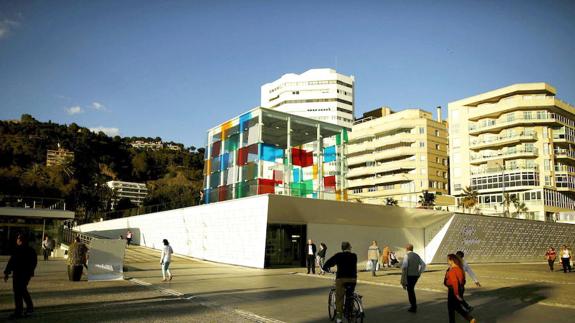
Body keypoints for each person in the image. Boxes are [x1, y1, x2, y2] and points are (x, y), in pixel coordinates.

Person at [3, 234, 38, 319]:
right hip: (26, 275)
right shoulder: (31, 250)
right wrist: (30, 272)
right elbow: (34, 263)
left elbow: (11, 262)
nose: (16, 240)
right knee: (22, 290)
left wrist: (7, 273)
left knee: (18, 292)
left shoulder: (18, 250)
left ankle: (20, 311)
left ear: (20, 240)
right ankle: (28, 308)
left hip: (18, 274)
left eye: (18, 239)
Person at [322, 241, 358, 323]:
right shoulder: (354, 256)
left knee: (339, 298)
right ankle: (349, 312)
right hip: (352, 279)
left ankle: (339, 319)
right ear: (349, 248)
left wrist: (326, 268)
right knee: (350, 295)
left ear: (342, 248)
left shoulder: (338, 255)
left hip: (341, 279)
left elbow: (328, 263)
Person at [444, 254, 476, 323]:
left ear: (452, 260)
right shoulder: (459, 269)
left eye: (448, 260)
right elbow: (463, 281)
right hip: (459, 289)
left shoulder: (452, 270)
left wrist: (456, 294)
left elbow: (455, 282)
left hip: (453, 291)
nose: (447, 261)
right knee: (457, 307)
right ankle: (470, 318)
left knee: (451, 308)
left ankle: (470, 319)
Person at [400, 243, 426, 313]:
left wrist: (403, 277)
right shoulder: (417, 255)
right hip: (415, 275)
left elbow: (405, 266)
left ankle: (413, 306)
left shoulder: (406, 256)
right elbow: (423, 265)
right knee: (411, 290)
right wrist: (419, 272)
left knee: (410, 291)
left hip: (409, 275)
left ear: (406, 249)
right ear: (412, 249)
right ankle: (413, 306)